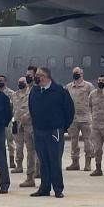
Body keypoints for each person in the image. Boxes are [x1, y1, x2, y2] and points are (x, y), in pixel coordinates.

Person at [29, 67, 74, 198]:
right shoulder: (35, 91)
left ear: (47, 76)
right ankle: (44, 188)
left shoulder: (60, 91)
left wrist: (62, 127)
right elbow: (32, 109)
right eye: (36, 75)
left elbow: (69, 111)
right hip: (39, 131)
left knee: (54, 160)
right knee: (43, 161)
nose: (37, 77)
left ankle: (58, 189)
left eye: (40, 75)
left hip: (54, 131)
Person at [65, 67, 95, 171]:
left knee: (88, 141)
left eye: (77, 73)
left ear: (82, 73)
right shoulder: (69, 86)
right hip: (73, 119)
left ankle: (88, 163)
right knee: (74, 141)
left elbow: (93, 100)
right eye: (74, 73)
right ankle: (75, 163)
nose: (76, 74)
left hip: (85, 118)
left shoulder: (88, 86)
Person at [10, 76, 37, 187]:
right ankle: (19, 165)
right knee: (18, 146)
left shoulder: (31, 93)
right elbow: (12, 109)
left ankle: (33, 173)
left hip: (28, 124)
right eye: (19, 82)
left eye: (23, 82)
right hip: (17, 123)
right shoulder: (14, 95)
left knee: (31, 150)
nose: (21, 84)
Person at [88, 75, 104, 177]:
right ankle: (98, 169)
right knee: (97, 149)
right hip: (95, 126)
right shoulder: (92, 94)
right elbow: (90, 106)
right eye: (99, 80)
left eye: (103, 81)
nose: (100, 82)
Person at [0, 74, 16, 168]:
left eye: (1, 81)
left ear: (5, 82)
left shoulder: (11, 93)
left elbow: (13, 107)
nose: (0, 82)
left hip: (7, 121)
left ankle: (12, 160)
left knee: (10, 141)